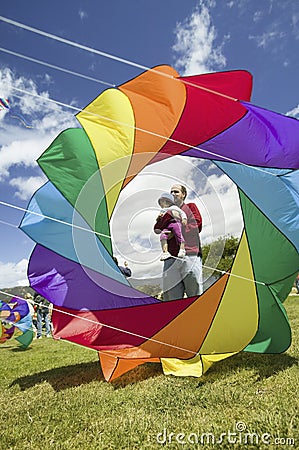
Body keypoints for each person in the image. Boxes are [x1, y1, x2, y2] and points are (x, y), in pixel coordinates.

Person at [154, 184, 203, 301]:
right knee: (171, 296)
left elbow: (197, 225)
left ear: (183, 194)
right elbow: (157, 229)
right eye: (171, 192)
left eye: (176, 192)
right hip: (170, 258)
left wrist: (176, 232)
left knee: (194, 292)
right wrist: (160, 218)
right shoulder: (167, 213)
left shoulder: (191, 207)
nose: (173, 194)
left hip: (190, 254)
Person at [155, 192, 187, 261]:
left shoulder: (174, 207)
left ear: (168, 201)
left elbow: (182, 213)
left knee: (179, 234)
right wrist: (159, 218)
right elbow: (160, 220)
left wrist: (184, 218)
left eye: (162, 202)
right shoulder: (163, 210)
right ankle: (165, 252)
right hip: (167, 225)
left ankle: (182, 249)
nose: (161, 204)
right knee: (163, 235)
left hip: (175, 222)